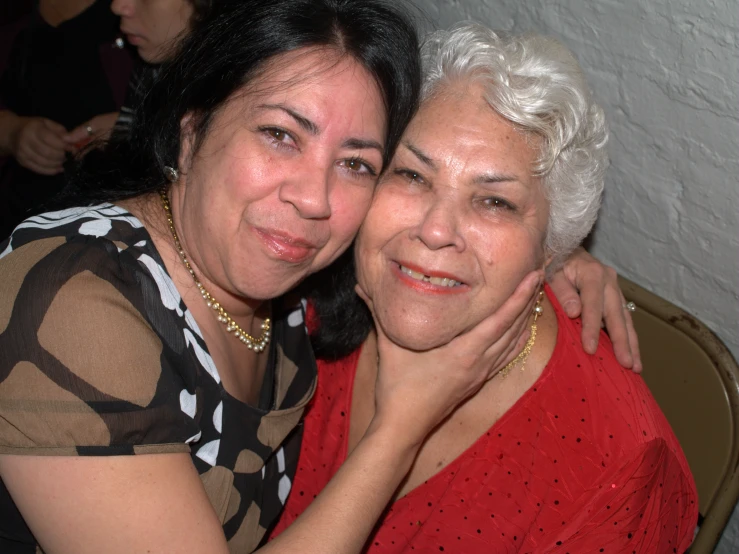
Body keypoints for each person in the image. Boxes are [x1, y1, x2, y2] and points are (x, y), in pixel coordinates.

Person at [0, 2, 639, 552]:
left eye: (358, 163)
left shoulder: (293, 284)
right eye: (280, 134)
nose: (314, 197)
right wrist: (400, 428)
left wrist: (549, 251)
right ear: (192, 134)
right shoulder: (72, 306)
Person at [271, 25, 698, 553]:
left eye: (495, 202)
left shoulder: (615, 468)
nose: (435, 230)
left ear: (553, 243)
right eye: (411, 175)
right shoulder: (301, 290)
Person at [0, 0, 133, 239]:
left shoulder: (136, 11)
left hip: (112, 231)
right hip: (19, 226)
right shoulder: (12, 17)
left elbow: (194, 108)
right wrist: (11, 132)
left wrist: (133, 127)